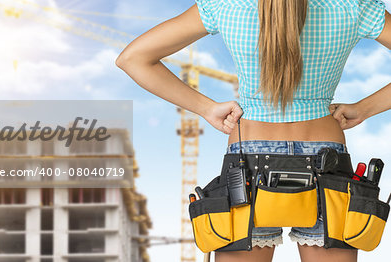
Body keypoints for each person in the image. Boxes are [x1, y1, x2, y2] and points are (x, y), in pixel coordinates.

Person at [116, 0, 391, 261]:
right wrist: (365, 108)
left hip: (247, 161)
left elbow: (133, 58)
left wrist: (205, 107)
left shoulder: (227, 5)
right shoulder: (351, 5)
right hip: (326, 157)